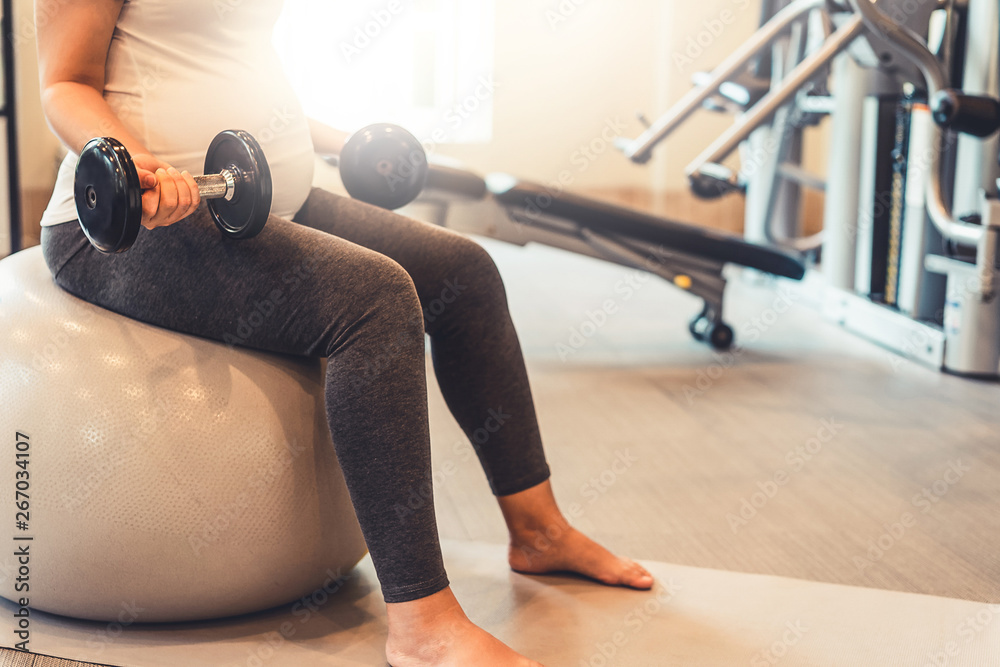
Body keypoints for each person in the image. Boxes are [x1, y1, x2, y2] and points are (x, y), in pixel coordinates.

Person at [35, 1, 654, 664]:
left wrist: (338, 141)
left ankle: (538, 530)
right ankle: (422, 625)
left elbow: (218, 63)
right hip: (131, 226)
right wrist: (142, 167)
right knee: (375, 299)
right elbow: (63, 83)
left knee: (463, 270)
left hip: (257, 198)